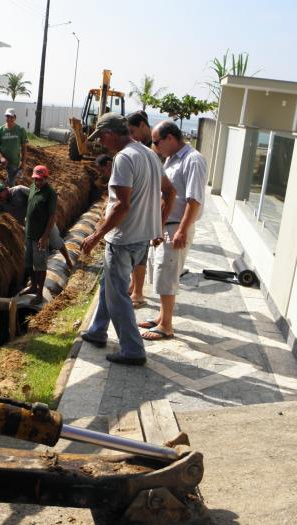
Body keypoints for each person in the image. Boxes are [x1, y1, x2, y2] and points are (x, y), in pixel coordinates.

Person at [80, 113, 175, 366]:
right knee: (108, 286)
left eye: (101, 136)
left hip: (123, 238)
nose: (100, 141)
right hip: (141, 236)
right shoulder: (149, 154)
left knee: (118, 295)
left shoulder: (123, 158)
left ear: (111, 133)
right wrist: (158, 224)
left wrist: (96, 234)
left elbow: (121, 206)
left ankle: (132, 349)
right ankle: (97, 331)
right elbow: (169, 191)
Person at [140, 121, 207, 341]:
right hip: (167, 226)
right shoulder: (171, 159)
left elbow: (193, 199)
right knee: (160, 273)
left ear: (170, 138)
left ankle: (166, 325)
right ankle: (161, 317)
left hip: (178, 226)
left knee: (167, 274)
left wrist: (182, 230)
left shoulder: (192, 160)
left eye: (157, 142)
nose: (155, 146)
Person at [0, 182, 74, 270]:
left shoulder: (20, 190)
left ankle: (68, 260)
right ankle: (39, 275)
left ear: (4, 190)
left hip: (43, 221)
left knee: (56, 241)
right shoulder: (1, 204)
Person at [125, 111, 153, 307]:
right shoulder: (144, 147)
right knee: (137, 253)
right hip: (144, 209)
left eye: (133, 131)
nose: (132, 136)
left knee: (141, 253)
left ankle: (138, 294)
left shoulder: (153, 149)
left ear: (143, 125)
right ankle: (134, 286)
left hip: (147, 210)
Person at [20, 165, 57, 305]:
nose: (38, 182)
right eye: (35, 179)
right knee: (29, 263)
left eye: (40, 179)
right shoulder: (33, 187)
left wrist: (44, 236)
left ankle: (40, 294)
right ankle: (32, 286)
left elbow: (52, 217)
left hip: (40, 237)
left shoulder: (50, 194)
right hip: (29, 234)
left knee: (40, 266)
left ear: (46, 178)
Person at [0, 108, 28, 187]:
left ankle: (8, 193)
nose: (9, 119)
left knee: (11, 184)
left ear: (15, 118)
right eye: (8, 117)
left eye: (11, 117)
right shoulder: (0, 130)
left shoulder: (20, 130)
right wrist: (1, 158)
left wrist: (23, 163)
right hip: (2, 157)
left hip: (14, 161)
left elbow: (24, 148)